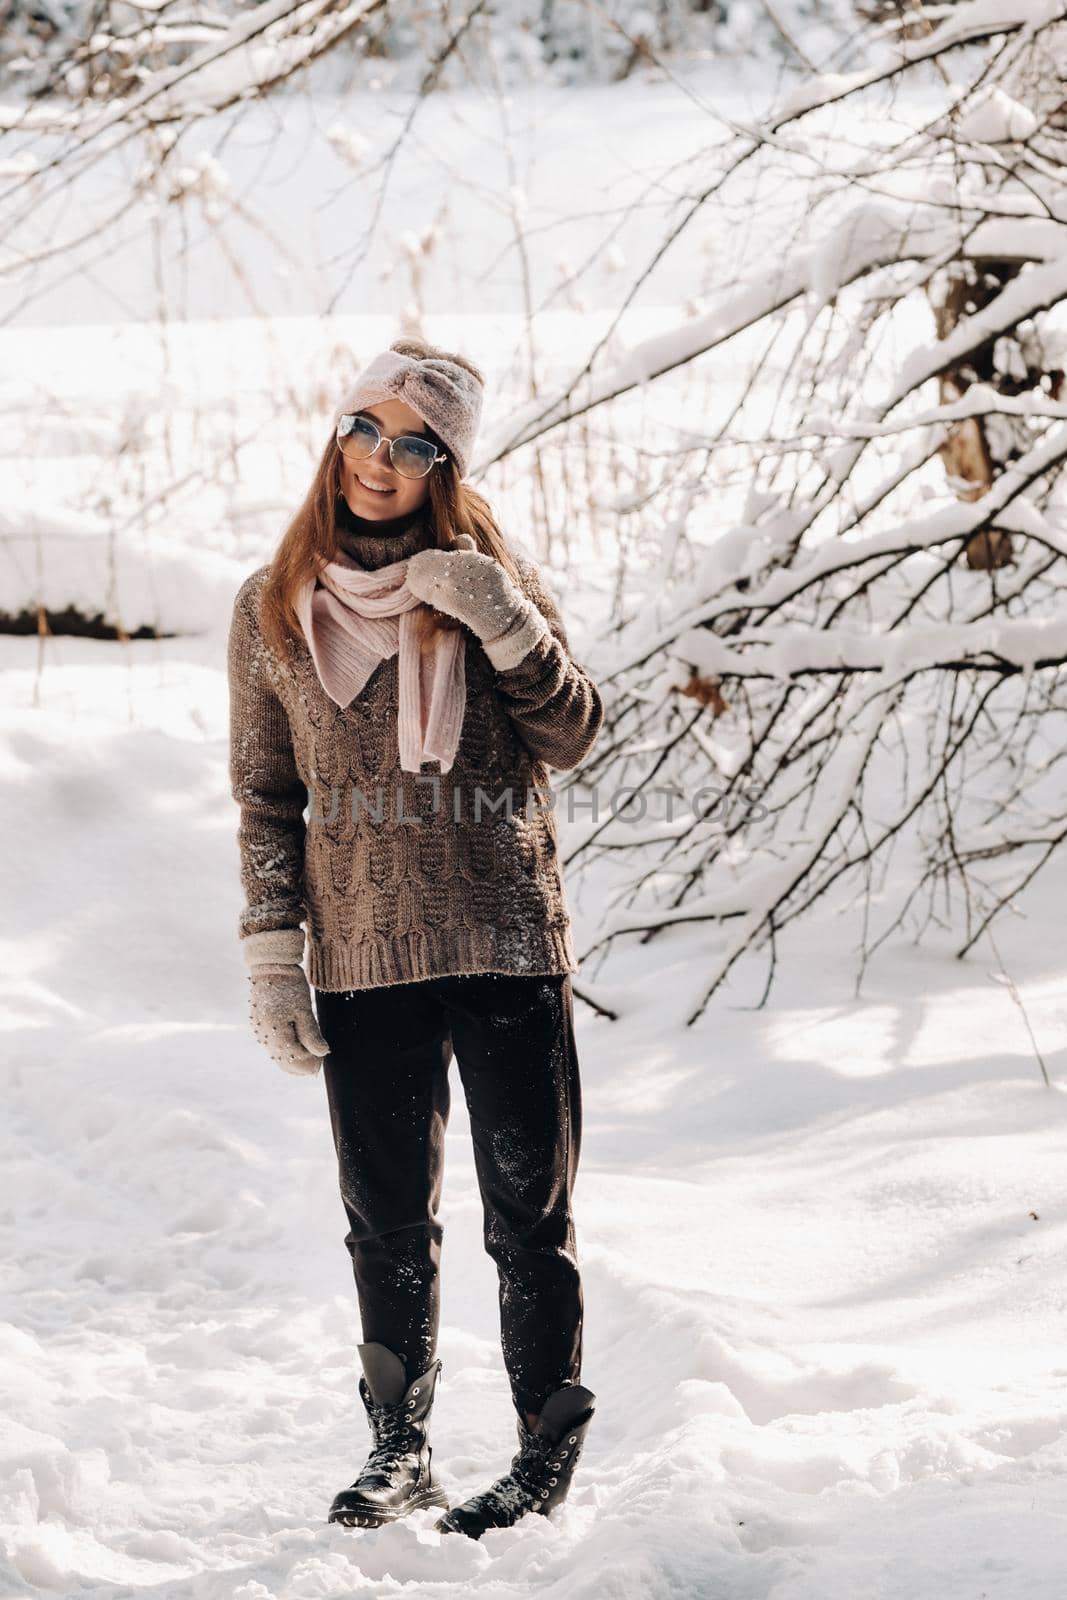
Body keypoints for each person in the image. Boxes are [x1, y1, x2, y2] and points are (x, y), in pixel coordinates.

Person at [226, 337, 604, 1540]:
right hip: (363, 954)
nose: (380, 460)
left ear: (446, 464)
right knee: (384, 1215)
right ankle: (400, 1449)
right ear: (336, 433)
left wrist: (500, 623)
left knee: (524, 1218)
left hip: (500, 939)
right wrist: (271, 953)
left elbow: (573, 730)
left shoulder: (487, 571)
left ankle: (542, 1449)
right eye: (364, 429)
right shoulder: (273, 603)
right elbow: (264, 794)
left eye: (414, 443)